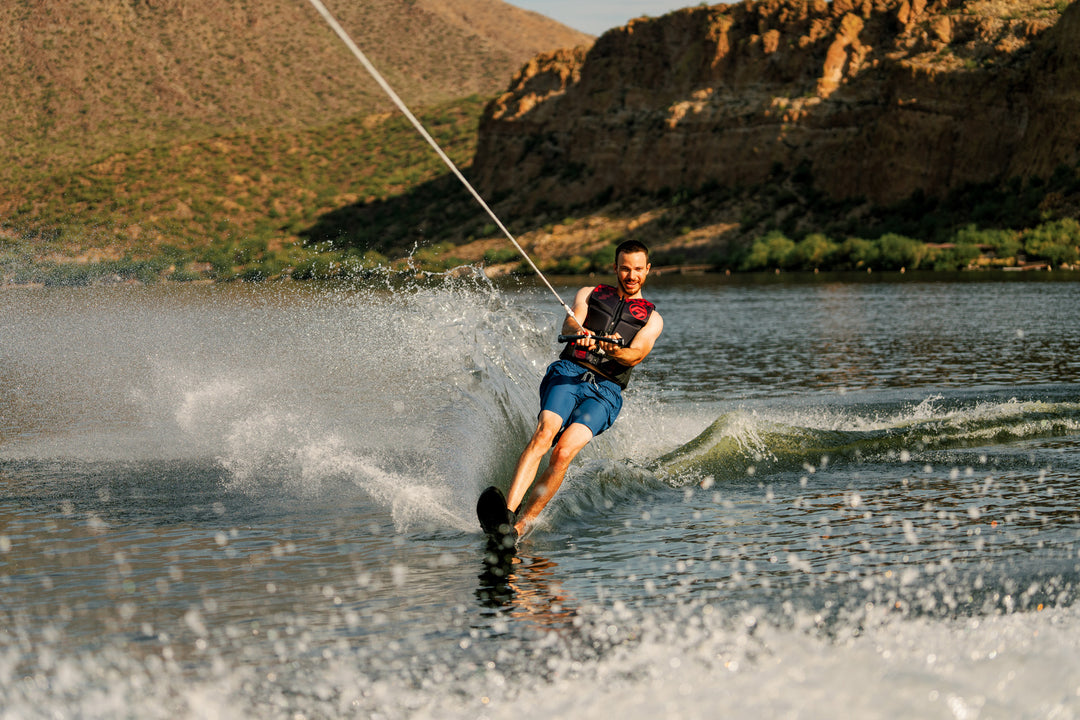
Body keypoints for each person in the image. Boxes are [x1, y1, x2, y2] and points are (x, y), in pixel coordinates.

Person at [506, 239, 664, 536]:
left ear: (648, 270)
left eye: (639, 270)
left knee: (563, 453)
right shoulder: (589, 294)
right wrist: (579, 331)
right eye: (626, 269)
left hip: (605, 392)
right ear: (615, 268)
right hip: (570, 372)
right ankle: (506, 514)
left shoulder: (653, 319)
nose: (632, 276)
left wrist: (609, 349)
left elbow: (636, 354)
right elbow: (570, 322)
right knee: (545, 433)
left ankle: (520, 526)